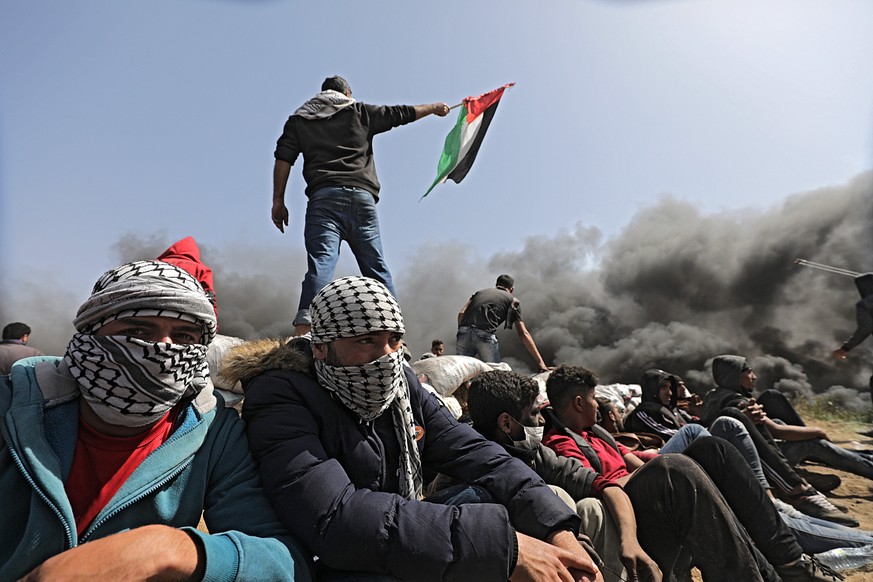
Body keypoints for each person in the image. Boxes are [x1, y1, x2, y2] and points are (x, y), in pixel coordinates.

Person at [234, 276, 601, 581]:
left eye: (394, 340)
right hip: (336, 560)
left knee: (531, 506)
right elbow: (336, 520)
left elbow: (480, 456)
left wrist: (558, 530)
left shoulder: (402, 387)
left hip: (395, 531)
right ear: (321, 348)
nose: (387, 355)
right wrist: (507, 549)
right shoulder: (281, 395)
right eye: (367, 341)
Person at [0, 260, 312, 581]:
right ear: (91, 333)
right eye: (136, 331)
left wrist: (174, 551)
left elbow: (284, 561)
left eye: (184, 336)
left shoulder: (214, 430)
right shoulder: (13, 407)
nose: (163, 349)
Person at [543, 365, 839, 582]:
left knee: (712, 450)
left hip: (648, 494)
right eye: (594, 398)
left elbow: (634, 462)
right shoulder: (561, 443)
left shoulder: (597, 433)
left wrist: (685, 469)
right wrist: (666, 470)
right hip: (630, 515)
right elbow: (601, 486)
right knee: (675, 467)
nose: (599, 404)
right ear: (579, 402)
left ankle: (790, 563)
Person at [271, 75, 451, 336]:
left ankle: (304, 333)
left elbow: (283, 158)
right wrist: (433, 107)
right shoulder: (358, 111)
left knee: (321, 264)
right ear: (347, 92)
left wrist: (278, 200)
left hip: (324, 200)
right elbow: (401, 113)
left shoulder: (301, 119)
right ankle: (394, 333)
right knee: (376, 268)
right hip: (362, 200)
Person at [702, 355, 873, 483]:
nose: (754, 376)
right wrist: (817, 431)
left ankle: (863, 457)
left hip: (742, 456)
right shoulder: (738, 402)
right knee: (811, 443)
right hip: (758, 461)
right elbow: (777, 432)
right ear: (733, 376)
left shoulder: (714, 395)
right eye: (748, 372)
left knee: (777, 418)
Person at [456, 274, 550, 371]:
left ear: (496, 285)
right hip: (485, 336)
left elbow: (461, 313)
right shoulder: (513, 301)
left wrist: (463, 331)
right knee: (493, 376)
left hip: (463, 332)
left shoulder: (479, 293)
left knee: (463, 372)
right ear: (511, 289)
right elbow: (523, 333)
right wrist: (541, 363)